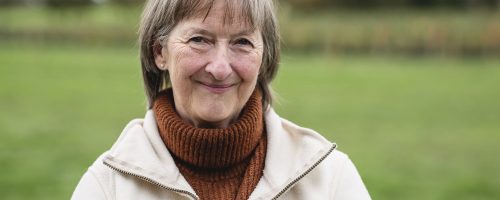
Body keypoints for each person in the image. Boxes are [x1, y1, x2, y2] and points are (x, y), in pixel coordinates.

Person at [72, 0, 371, 199]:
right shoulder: (107, 186)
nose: (219, 68)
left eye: (242, 42)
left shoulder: (329, 178)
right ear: (159, 52)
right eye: (199, 40)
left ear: (263, 55)